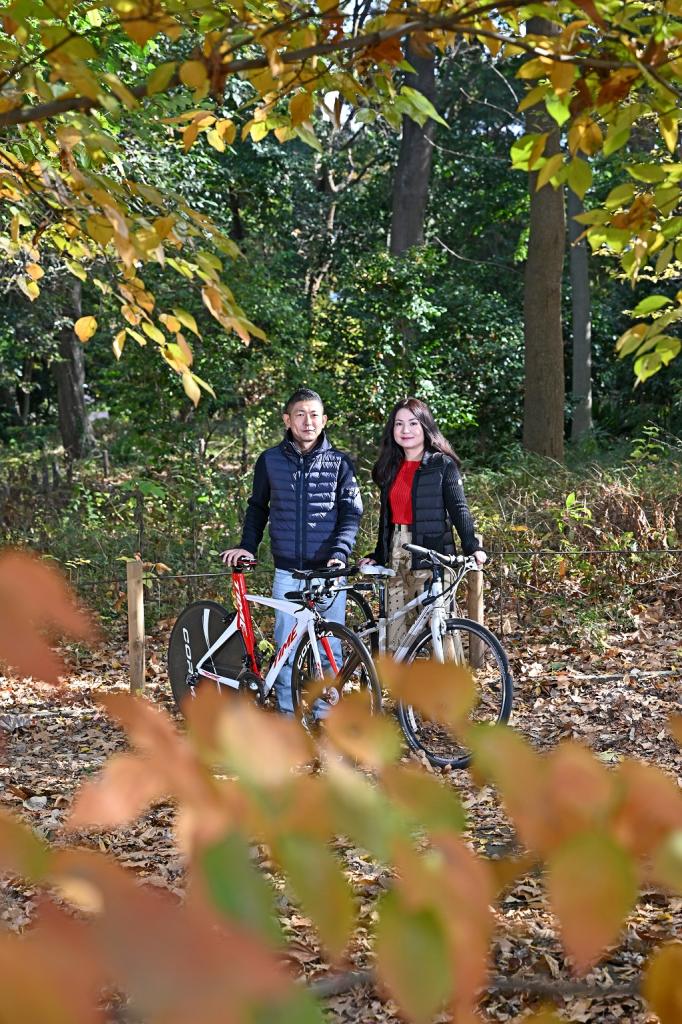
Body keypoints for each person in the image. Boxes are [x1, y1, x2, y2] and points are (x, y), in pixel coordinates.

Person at [221, 388, 362, 713]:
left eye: (314, 415)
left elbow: (351, 513)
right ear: (287, 419)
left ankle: (325, 720)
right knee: (287, 649)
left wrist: (340, 553)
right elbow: (257, 508)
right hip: (288, 574)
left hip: (329, 573)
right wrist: (247, 547)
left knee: (329, 653)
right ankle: (287, 717)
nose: (308, 421)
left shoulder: (340, 463)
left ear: (324, 420)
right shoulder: (270, 461)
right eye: (300, 414)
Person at [359, 397, 486, 651]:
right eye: (399, 424)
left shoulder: (442, 465)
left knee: (439, 626)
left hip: (433, 554)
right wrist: (379, 554)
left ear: (425, 426)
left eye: (413, 423)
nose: (405, 430)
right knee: (396, 627)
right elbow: (387, 518)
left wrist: (472, 546)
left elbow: (458, 508)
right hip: (397, 552)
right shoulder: (390, 467)